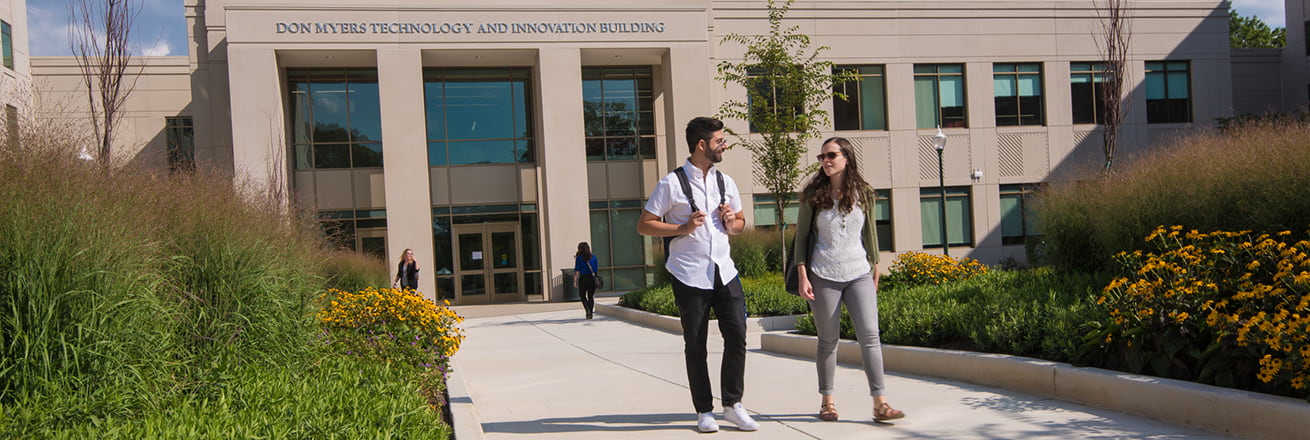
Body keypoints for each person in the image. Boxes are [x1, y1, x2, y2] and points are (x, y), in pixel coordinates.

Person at [638, 116, 758, 433]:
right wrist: (683, 227)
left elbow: (741, 222)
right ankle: (704, 410)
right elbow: (644, 224)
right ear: (702, 144)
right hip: (689, 274)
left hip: (724, 270)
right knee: (696, 343)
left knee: (738, 336)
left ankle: (733, 405)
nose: (725, 145)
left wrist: (733, 222)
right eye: (720, 141)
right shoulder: (671, 183)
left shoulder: (725, 182)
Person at [791, 137, 905, 423]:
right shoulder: (813, 195)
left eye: (831, 155)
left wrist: (876, 265)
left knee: (870, 337)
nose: (825, 161)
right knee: (828, 340)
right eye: (822, 157)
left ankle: (880, 403)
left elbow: (871, 233)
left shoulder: (864, 193)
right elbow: (802, 238)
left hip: (858, 273)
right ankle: (827, 401)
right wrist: (803, 275)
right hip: (823, 274)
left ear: (846, 157)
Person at [573, 242, 600, 319]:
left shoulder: (579, 258)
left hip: (584, 278)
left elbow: (577, 270)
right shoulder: (593, 257)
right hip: (592, 278)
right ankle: (590, 312)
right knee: (590, 296)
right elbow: (596, 269)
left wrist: (575, 281)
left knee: (582, 295)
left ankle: (587, 310)